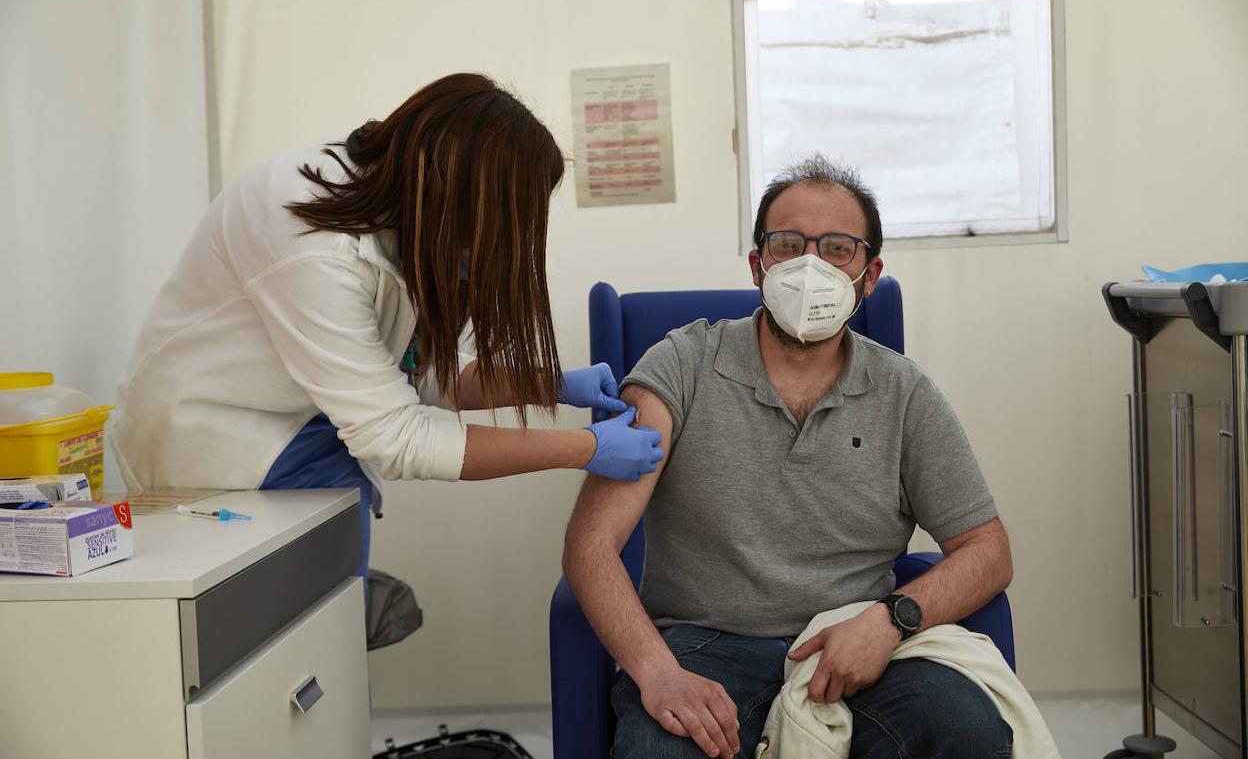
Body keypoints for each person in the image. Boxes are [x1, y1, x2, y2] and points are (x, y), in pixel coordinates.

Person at [114, 73, 664, 575]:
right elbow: (395, 435)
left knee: (327, 647)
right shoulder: (310, 237)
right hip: (222, 443)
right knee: (299, 651)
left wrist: (546, 383)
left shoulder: (418, 225)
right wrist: (584, 448)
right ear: (460, 195)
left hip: (309, 424)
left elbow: (419, 370)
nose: (499, 245)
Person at [563, 155, 1016, 758]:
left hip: (857, 643)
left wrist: (889, 621)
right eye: (787, 245)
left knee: (968, 730)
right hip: (705, 648)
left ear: (869, 273)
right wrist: (657, 671)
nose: (810, 266)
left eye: (837, 248)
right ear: (757, 264)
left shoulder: (904, 394)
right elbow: (590, 543)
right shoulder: (682, 364)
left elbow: (989, 550)